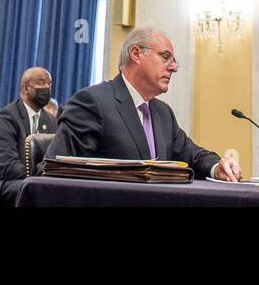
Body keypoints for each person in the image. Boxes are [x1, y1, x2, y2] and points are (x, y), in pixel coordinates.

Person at [46, 28, 241, 181]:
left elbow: (192, 154)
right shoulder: (92, 102)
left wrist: (217, 167)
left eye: (174, 62)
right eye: (165, 57)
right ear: (136, 54)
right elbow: (56, 171)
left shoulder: (163, 112)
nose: (173, 67)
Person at [0, 66, 57, 206]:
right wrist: (38, 180)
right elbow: (8, 165)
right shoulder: (7, 117)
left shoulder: (51, 120)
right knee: (37, 190)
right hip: (0, 181)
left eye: (49, 84)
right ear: (25, 89)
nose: (47, 87)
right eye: (41, 83)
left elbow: (52, 158)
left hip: (33, 180)